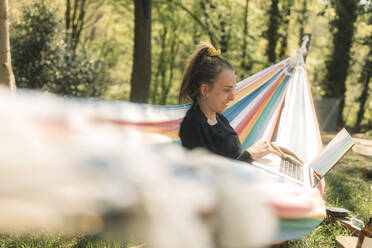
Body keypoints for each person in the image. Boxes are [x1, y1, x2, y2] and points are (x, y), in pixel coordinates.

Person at [178, 42, 295, 163]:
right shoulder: (194, 125)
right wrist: (251, 154)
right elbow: (208, 177)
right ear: (205, 90)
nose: (232, 97)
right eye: (227, 90)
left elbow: (233, 159)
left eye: (233, 89)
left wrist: (266, 149)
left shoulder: (220, 120)